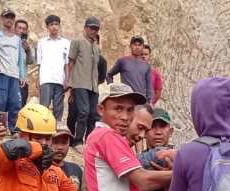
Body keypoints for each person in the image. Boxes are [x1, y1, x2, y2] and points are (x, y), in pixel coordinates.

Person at [0, 9, 25, 130]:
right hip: (1, 73)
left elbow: (20, 59)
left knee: (15, 103)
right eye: (7, 17)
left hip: (14, 75)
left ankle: (13, 129)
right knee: (0, 102)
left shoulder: (17, 39)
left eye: (12, 17)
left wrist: (22, 75)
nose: (9, 20)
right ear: (2, 19)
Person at [65, 17, 102, 145]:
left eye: (96, 28)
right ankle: (77, 140)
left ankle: (89, 141)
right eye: (91, 28)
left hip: (93, 86)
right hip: (80, 83)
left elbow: (98, 67)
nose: (94, 31)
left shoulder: (96, 47)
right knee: (83, 112)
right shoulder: (77, 41)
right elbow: (70, 62)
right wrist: (68, 82)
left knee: (94, 115)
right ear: (85, 28)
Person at [37, 14, 70, 121]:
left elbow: (67, 63)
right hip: (45, 79)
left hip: (60, 80)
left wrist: (67, 79)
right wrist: (38, 79)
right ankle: (42, 131)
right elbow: (39, 63)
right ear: (47, 27)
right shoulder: (42, 42)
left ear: (59, 26)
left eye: (56, 24)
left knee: (58, 108)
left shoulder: (66, 43)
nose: (54, 27)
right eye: (51, 24)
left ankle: (56, 131)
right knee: (43, 108)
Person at [107, 36, 154, 104]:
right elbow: (109, 75)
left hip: (140, 100)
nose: (137, 47)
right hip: (126, 99)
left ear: (142, 47)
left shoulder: (146, 66)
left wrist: (150, 101)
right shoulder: (123, 61)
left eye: (139, 45)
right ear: (130, 46)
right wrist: (113, 88)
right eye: (135, 44)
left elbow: (149, 86)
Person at [16, 19, 35, 104]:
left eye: (24, 29)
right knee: (7, 107)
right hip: (11, 79)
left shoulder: (27, 45)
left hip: (23, 81)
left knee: (21, 106)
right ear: (14, 29)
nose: (21, 31)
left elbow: (30, 62)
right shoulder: (10, 42)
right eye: (19, 28)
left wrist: (28, 51)